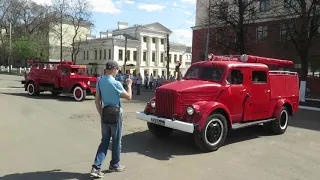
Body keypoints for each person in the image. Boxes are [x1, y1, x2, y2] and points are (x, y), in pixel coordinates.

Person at [90, 60, 132, 178]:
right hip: (116, 115)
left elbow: (97, 100)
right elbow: (129, 97)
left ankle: (96, 167)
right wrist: (129, 85)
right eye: (117, 69)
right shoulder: (116, 83)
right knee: (116, 141)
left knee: (104, 141)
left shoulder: (100, 81)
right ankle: (114, 164)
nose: (117, 71)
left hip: (105, 113)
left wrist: (101, 113)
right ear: (113, 69)